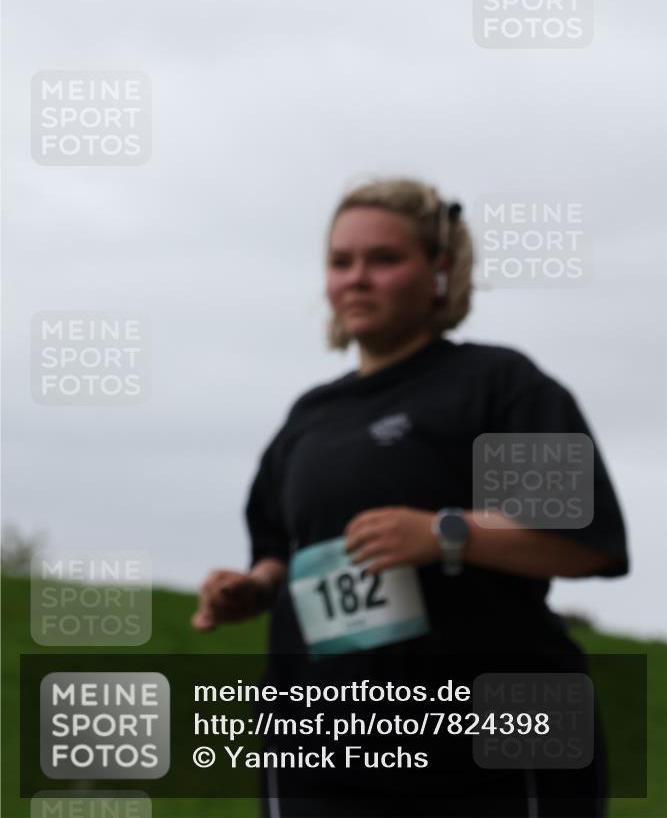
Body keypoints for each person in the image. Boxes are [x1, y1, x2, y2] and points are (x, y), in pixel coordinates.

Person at [192, 178, 629, 818]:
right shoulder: (310, 417)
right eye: (341, 262)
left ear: (439, 271)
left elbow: (584, 544)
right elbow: (279, 548)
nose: (357, 279)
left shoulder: (499, 384)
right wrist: (252, 588)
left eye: (384, 259)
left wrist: (446, 534)